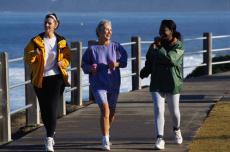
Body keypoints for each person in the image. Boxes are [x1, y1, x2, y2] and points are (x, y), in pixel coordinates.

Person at [24, 13, 71, 152]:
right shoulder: (36, 40)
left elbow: (68, 56)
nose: (47, 25)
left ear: (56, 25)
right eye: (45, 22)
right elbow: (27, 57)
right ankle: (51, 131)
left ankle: (49, 138)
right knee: (44, 110)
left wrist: (64, 62)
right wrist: (35, 55)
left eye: (50, 23)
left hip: (57, 78)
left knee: (52, 107)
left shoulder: (61, 41)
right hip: (40, 78)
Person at [81, 19, 128, 151]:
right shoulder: (92, 49)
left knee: (111, 113)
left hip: (113, 83)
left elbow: (124, 60)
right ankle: (105, 139)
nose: (109, 32)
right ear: (99, 32)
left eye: (110, 29)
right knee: (105, 110)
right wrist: (91, 68)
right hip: (98, 84)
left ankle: (107, 131)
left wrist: (117, 64)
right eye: (106, 29)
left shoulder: (116, 46)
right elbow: (84, 65)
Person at [140, 19, 184, 150]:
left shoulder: (178, 46)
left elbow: (171, 59)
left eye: (164, 30)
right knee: (159, 109)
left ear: (171, 31)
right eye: (160, 29)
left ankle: (176, 129)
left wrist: (159, 48)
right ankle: (160, 138)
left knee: (174, 111)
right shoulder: (154, 45)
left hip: (172, 83)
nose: (161, 32)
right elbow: (149, 60)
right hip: (157, 81)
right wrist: (145, 72)